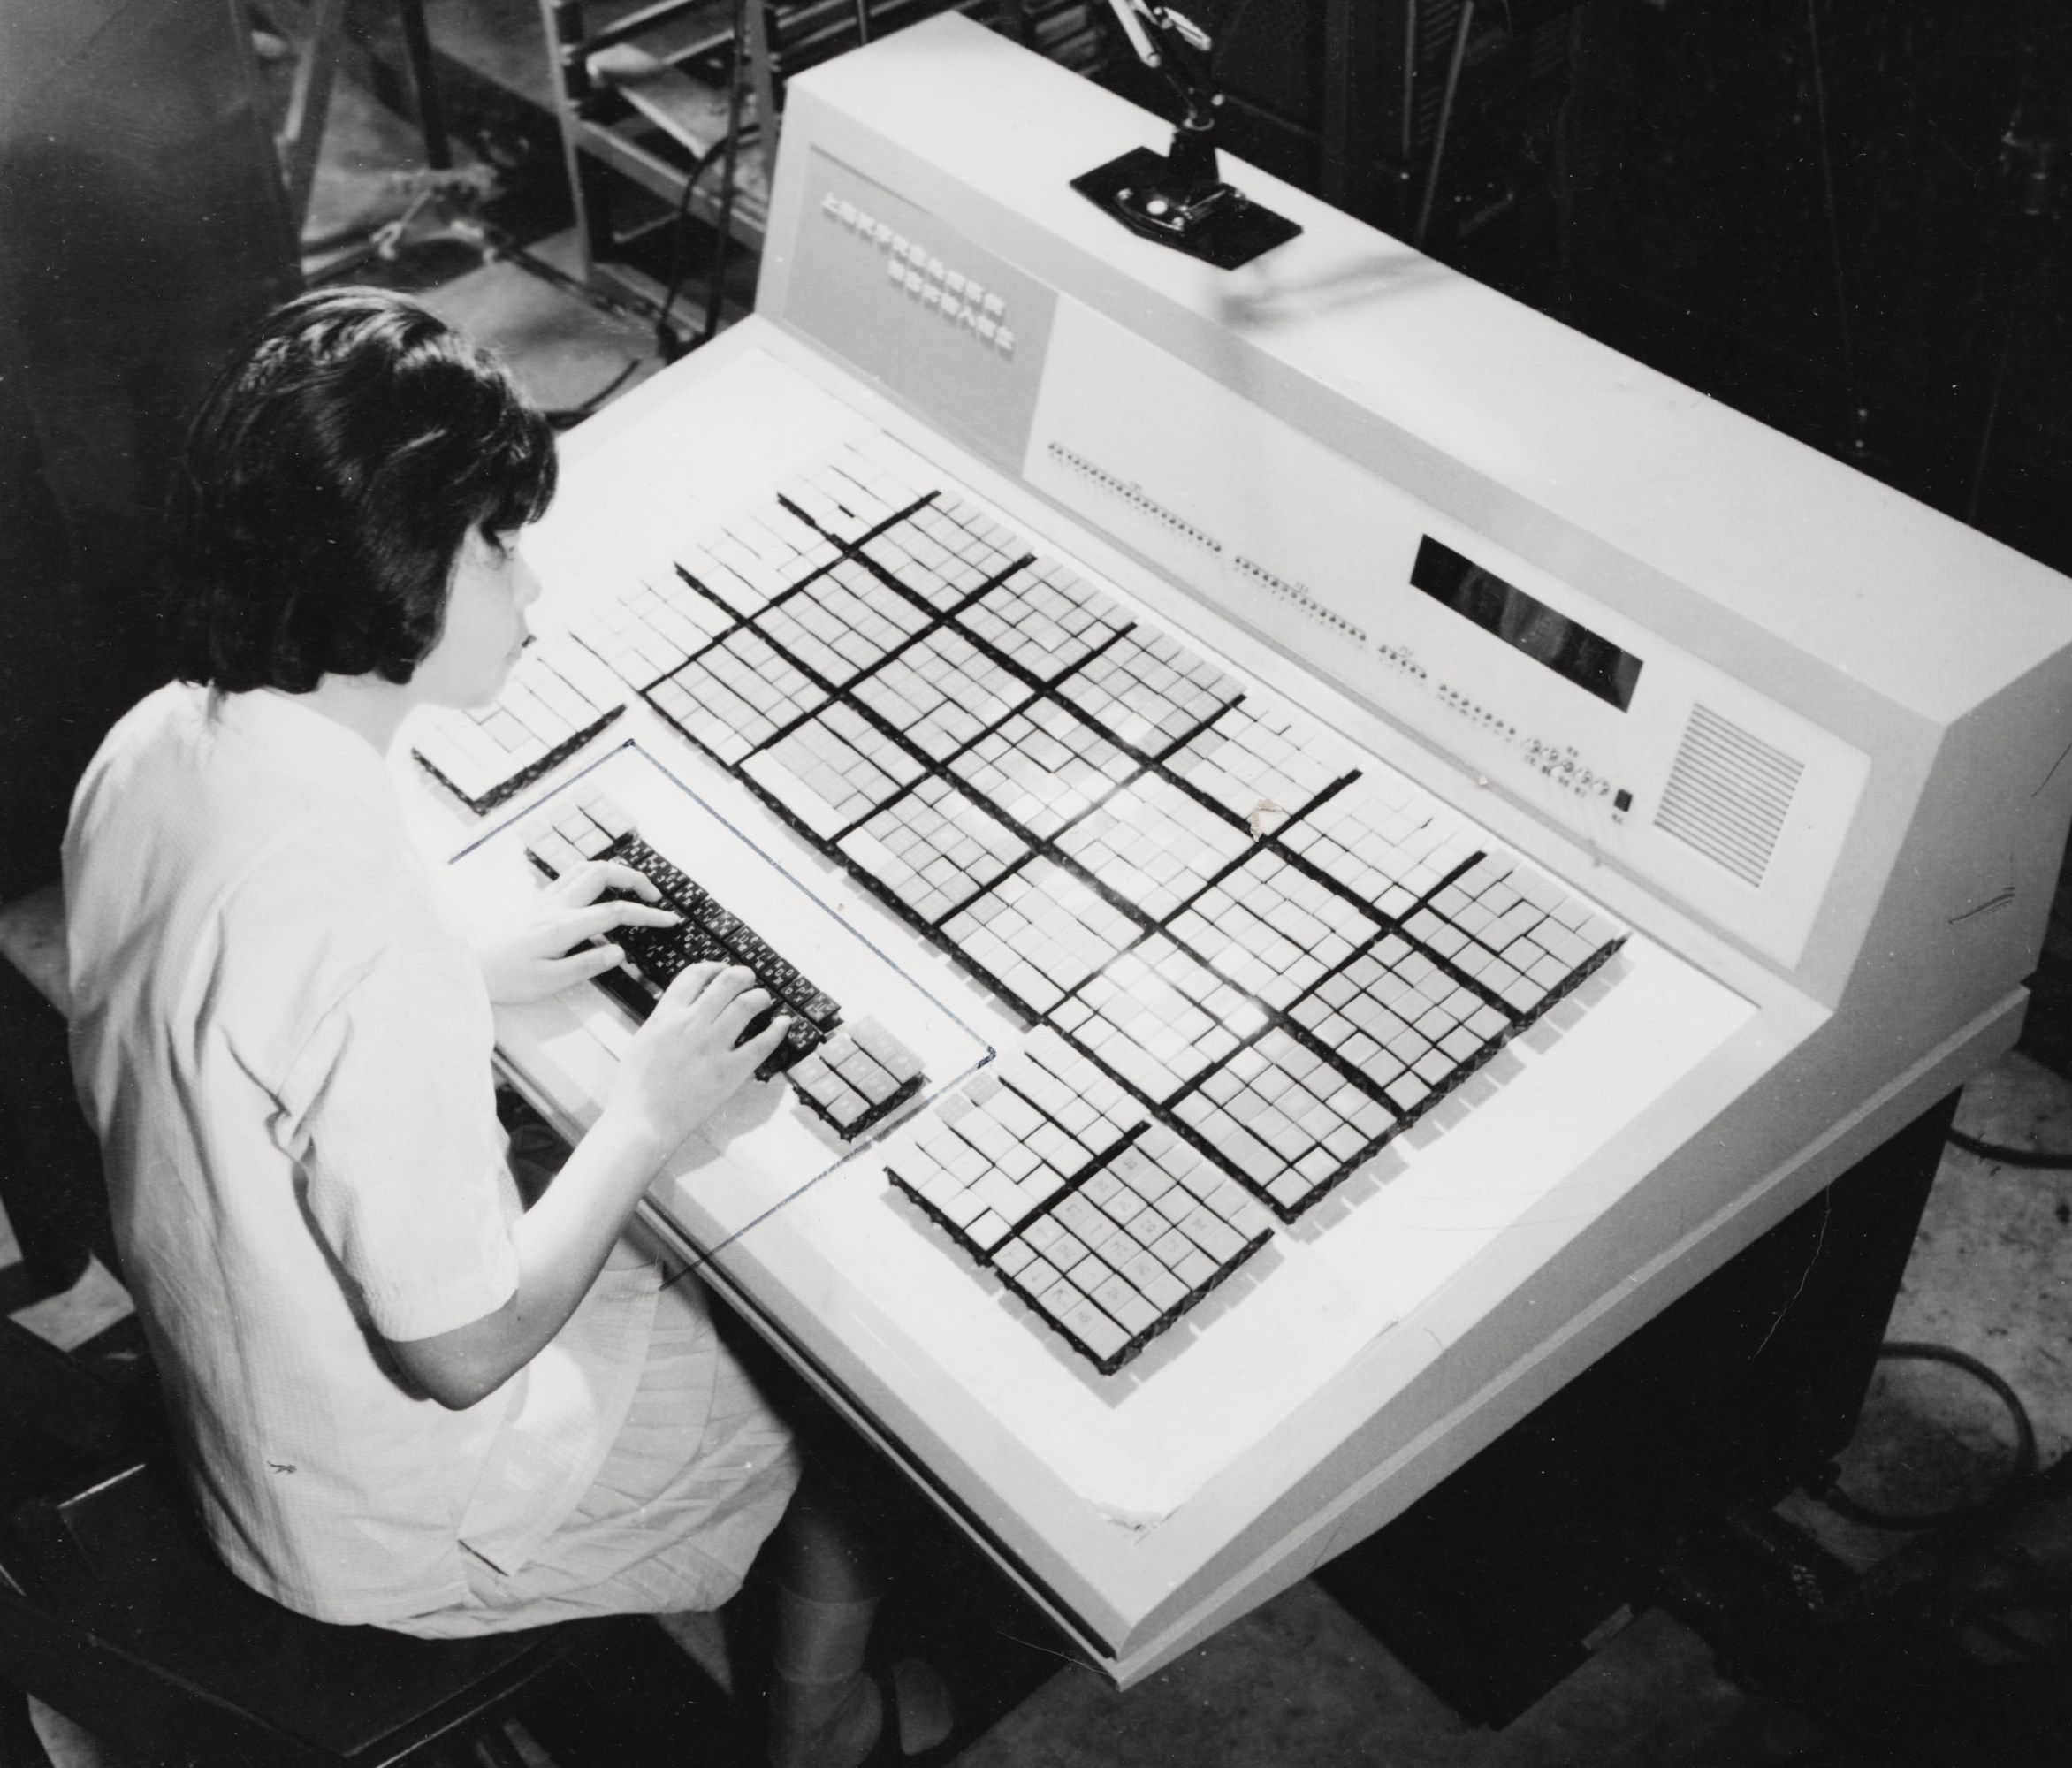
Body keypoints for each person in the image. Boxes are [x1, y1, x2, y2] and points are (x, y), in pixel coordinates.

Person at [63, 288, 945, 1768]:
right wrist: (647, 1111)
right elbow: (464, 1353)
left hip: (245, 1384)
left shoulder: (155, 739)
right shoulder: (363, 936)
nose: (532, 589)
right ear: (392, 564)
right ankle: (823, 1729)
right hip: (393, 1506)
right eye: (501, 544)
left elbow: (241, 1020)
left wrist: (478, 974)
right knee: (852, 1419)